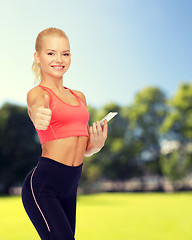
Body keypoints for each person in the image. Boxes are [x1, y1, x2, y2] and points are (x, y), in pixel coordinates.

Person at [21, 27, 108, 240]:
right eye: (51, 53)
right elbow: (35, 108)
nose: (59, 59)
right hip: (44, 186)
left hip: (71, 185)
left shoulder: (79, 97)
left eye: (65, 53)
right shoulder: (38, 93)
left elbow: (83, 148)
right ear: (38, 57)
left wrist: (95, 145)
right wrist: (38, 115)